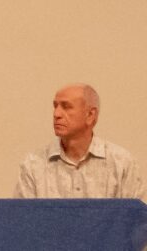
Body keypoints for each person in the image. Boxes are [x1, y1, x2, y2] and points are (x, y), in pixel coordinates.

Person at [14, 83, 145, 198]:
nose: (56, 114)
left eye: (66, 107)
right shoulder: (33, 165)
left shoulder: (122, 163)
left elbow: (136, 221)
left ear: (90, 115)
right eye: (55, 106)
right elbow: (23, 221)